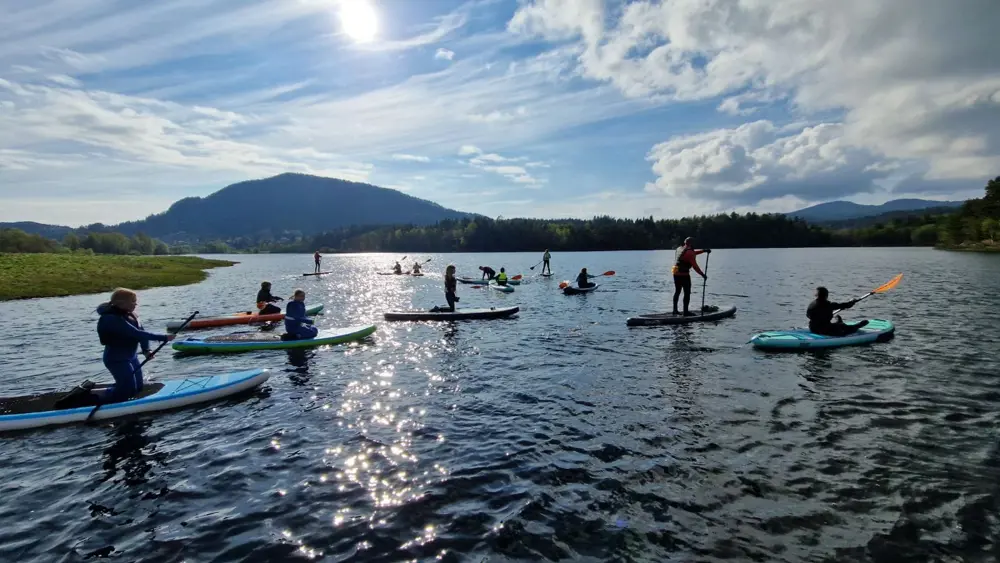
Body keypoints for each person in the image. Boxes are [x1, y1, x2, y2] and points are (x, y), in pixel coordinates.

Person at [95, 288, 174, 403]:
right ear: (121, 303)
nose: (136, 304)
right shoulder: (111, 318)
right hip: (116, 359)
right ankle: (96, 399)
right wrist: (163, 337)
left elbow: (141, 332)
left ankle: (110, 392)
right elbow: (135, 333)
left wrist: (146, 350)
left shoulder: (132, 315)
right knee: (127, 390)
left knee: (138, 387)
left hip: (131, 357)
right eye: (132, 301)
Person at [672, 237, 711, 316]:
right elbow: (695, 266)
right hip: (684, 275)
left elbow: (690, 254)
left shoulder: (679, 248)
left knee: (677, 291)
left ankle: (675, 310)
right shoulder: (690, 253)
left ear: (685, 242)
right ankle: (686, 312)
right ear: (691, 243)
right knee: (687, 293)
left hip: (675, 273)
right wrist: (703, 275)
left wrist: (703, 251)